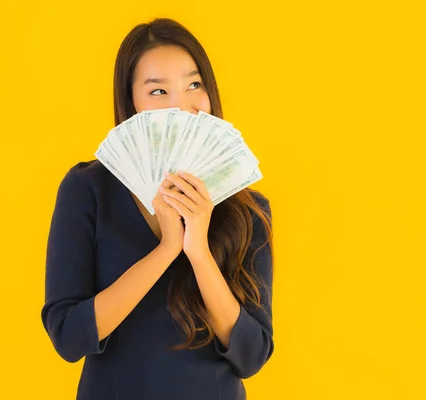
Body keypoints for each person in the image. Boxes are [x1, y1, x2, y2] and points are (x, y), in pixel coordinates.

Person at [41, 17, 274, 400]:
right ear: (131, 102)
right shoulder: (88, 189)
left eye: (193, 84)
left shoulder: (247, 209)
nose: (181, 106)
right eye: (158, 91)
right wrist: (167, 249)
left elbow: (251, 355)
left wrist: (197, 252)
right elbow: (68, 336)